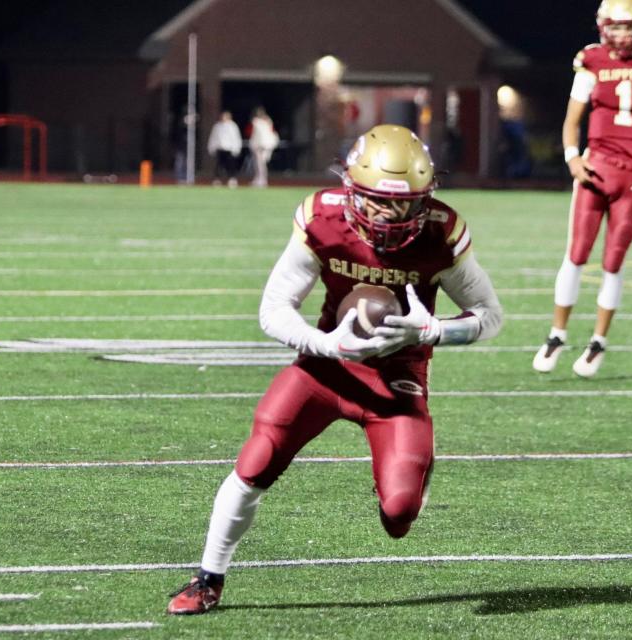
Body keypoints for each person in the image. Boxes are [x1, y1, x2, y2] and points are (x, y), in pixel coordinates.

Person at [167, 124, 503, 614]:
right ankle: (207, 578)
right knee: (258, 457)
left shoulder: (440, 232)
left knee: (399, 514)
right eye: (377, 200)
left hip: (395, 381)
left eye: (405, 202)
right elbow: (274, 308)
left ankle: (412, 470)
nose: (390, 214)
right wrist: (325, 343)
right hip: (325, 368)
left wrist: (431, 331)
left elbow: (490, 316)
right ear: (350, 189)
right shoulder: (323, 219)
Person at [532, 0, 632, 377]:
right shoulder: (592, 59)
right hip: (597, 167)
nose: (623, 35)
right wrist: (571, 158)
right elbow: (572, 119)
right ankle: (557, 334)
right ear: (602, 27)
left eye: (630, 27)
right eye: (616, 26)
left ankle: (598, 341)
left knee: (614, 260)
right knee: (577, 253)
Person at [207, 110, 242, 188]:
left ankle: (232, 179)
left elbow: (236, 138)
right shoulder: (217, 126)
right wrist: (211, 147)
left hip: (229, 149)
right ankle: (217, 179)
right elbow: (213, 137)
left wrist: (236, 148)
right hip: (220, 148)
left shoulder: (233, 126)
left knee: (230, 165)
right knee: (219, 165)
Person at [249, 107, 279, 187]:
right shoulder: (255, 121)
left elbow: (270, 133)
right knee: (258, 163)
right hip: (258, 144)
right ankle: (258, 178)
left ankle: (263, 179)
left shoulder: (267, 121)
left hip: (265, 145)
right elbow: (254, 134)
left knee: (262, 163)